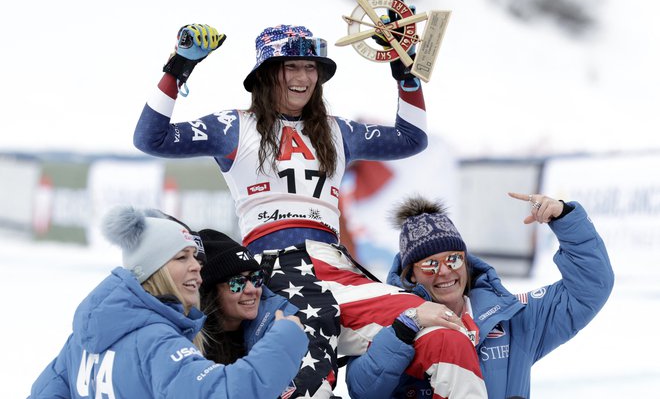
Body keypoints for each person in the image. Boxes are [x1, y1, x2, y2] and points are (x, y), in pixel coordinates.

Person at [133, 23, 486, 397]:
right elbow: (150, 137)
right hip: (272, 271)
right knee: (306, 383)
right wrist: (178, 69)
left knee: (440, 327)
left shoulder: (338, 130)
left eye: (311, 68)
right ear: (267, 74)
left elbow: (412, 138)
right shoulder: (233, 126)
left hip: (338, 268)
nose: (303, 78)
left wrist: (404, 73)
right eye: (291, 67)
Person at [345, 192, 615, 399]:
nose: (444, 272)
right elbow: (362, 390)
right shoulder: (389, 318)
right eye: (430, 264)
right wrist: (404, 329)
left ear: (466, 261)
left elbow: (591, 288)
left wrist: (565, 219)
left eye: (453, 259)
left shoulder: (514, 317)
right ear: (411, 274)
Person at [29, 206, 308, 399]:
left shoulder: (81, 340)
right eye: (181, 257)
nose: (197, 267)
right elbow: (223, 393)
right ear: (155, 268)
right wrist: (284, 340)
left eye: (195, 258)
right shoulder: (156, 340)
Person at [197, 228, 304, 397]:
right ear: (211, 292)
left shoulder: (276, 328)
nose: (251, 289)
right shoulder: (192, 343)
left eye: (256, 278)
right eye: (237, 283)